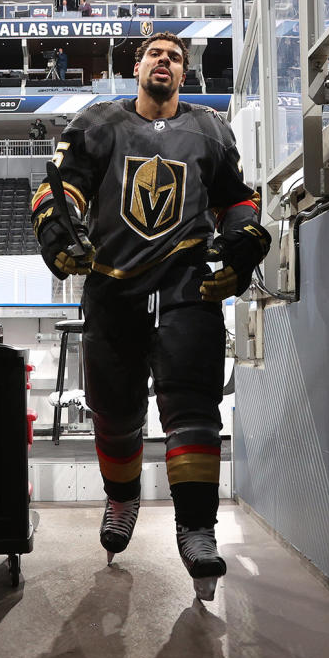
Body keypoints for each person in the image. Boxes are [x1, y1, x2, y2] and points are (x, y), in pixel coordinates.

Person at [28, 32, 269, 601]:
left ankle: (197, 528)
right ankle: (122, 495)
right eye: (156, 53)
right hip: (112, 287)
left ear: (185, 74)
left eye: (176, 56)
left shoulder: (210, 130)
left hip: (188, 282)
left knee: (193, 406)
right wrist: (58, 231)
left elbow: (237, 199)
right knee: (113, 411)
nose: (165, 61)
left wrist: (244, 237)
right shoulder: (97, 123)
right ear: (136, 66)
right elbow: (59, 192)